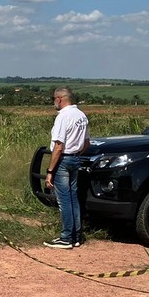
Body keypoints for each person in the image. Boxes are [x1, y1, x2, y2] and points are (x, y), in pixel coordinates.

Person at [43, 87, 90, 249]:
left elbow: (58, 146)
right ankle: (76, 236)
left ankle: (66, 237)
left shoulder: (63, 117)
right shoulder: (81, 116)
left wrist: (50, 171)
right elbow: (86, 143)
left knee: (64, 201)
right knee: (73, 198)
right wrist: (76, 153)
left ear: (60, 99)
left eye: (54, 99)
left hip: (63, 160)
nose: (54, 102)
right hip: (76, 158)